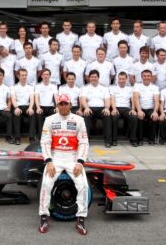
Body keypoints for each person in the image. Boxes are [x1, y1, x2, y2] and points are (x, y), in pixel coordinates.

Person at [38, 93, 89, 236]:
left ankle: (81, 218)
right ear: (57, 105)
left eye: (66, 103)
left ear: (70, 105)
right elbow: (45, 142)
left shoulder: (79, 120)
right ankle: (43, 217)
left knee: (83, 186)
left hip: (73, 157)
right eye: (61, 104)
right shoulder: (49, 120)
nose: (63, 106)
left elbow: (84, 142)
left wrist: (80, 162)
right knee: (46, 184)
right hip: (55, 157)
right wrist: (48, 161)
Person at [132, 70, 161, 145]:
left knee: (154, 117)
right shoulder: (137, 86)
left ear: (151, 77)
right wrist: (139, 110)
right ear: (141, 77)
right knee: (140, 116)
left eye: (148, 76)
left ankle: (151, 139)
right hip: (140, 108)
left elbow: (157, 100)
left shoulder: (155, 87)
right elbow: (136, 98)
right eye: (144, 76)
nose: (146, 77)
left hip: (151, 109)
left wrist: (155, 111)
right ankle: (140, 139)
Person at [80, 70, 111, 136]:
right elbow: (83, 99)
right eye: (92, 77)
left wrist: (107, 108)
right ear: (89, 78)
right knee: (86, 114)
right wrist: (86, 108)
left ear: (98, 77)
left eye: (95, 77)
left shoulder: (104, 88)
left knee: (107, 115)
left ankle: (108, 139)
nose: (93, 78)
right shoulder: (85, 88)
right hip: (89, 108)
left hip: (101, 109)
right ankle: (86, 139)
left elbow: (107, 99)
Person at [109, 72, 136, 147]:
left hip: (126, 109)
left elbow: (132, 100)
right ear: (117, 79)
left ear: (126, 79)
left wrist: (133, 109)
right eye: (120, 79)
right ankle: (114, 139)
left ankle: (133, 139)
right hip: (116, 108)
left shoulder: (130, 88)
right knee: (114, 117)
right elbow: (112, 99)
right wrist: (114, 109)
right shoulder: (113, 88)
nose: (121, 80)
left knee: (134, 117)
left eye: (123, 79)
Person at [11, 69, 34, 145]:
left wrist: (30, 108)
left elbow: (32, 99)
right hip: (18, 106)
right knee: (17, 114)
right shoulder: (14, 87)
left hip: (27, 106)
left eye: (25, 75)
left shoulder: (30, 87)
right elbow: (13, 99)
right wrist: (16, 107)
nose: (24, 77)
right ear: (18, 76)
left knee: (32, 114)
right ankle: (17, 137)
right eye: (22, 75)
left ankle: (31, 137)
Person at [35, 69, 58, 140]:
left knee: (56, 115)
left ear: (50, 76)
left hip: (51, 106)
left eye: (47, 74)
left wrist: (57, 107)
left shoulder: (53, 86)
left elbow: (56, 97)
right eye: (44, 74)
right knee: (39, 116)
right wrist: (38, 107)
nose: (46, 76)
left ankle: (54, 136)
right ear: (41, 76)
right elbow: (36, 97)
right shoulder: (38, 86)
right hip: (41, 106)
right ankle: (40, 137)